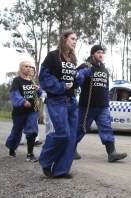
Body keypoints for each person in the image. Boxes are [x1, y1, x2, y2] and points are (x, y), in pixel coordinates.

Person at [74, 45, 127, 162]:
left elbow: (106, 87)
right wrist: (84, 73)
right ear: (93, 54)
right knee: (81, 128)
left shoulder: (104, 69)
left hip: (102, 106)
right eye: (98, 52)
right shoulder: (85, 66)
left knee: (106, 128)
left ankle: (112, 153)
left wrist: (106, 101)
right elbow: (77, 79)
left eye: (102, 53)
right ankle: (71, 149)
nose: (101, 54)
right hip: (87, 106)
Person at [38, 30, 78, 178]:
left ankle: (61, 171)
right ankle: (46, 161)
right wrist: (61, 86)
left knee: (71, 137)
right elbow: (43, 76)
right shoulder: (52, 56)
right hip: (56, 100)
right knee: (63, 134)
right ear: (64, 39)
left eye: (76, 39)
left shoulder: (73, 58)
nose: (75, 41)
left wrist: (79, 77)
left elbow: (73, 81)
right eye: (72, 38)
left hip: (72, 101)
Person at [5, 61, 41, 162]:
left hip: (32, 111)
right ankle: (11, 148)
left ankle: (30, 154)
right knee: (16, 132)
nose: (29, 68)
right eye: (26, 66)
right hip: (19, 112)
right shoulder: (17, 81)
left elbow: (39, 94)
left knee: (32, 130)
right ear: (21, 68)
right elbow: (14, 94)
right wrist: (22, 101)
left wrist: (39, 90)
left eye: (30, 67)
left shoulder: (32, 81)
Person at [20, 67, 43, 146]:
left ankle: (35, 140)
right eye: (31, 70)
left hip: (34, 106)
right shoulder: (22, 81)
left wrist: (39, 89)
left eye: (33, 71)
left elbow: (41, 94)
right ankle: (20, 139)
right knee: (24, 122)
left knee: (34, 122)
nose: (32, 72)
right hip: (24, 105)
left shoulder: (35, 82)